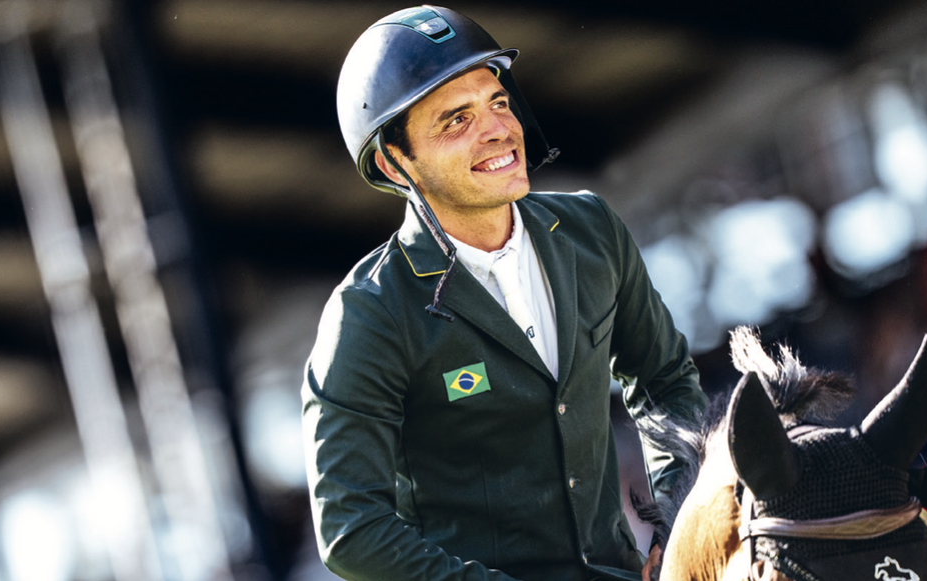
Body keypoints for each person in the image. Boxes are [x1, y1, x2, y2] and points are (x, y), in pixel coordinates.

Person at [301, 6, 708, 581]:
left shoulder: (593, 230)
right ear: (395, 162)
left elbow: (666, 381)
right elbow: (351, 531)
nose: (498, 129)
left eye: (497, 102)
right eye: (455, 121)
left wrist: (675, 522)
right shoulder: (368, 316)